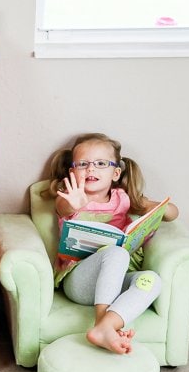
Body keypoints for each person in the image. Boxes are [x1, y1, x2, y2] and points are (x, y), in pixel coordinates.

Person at [43, 133, 179, 354]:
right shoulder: (69, 197)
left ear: (116, 173)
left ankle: (108, 325)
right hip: (79, 281)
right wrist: (74, 204)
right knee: (115, 253)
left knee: (151, 281)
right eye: (83, 164)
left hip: (116, 281)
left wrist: (156, 211)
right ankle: (101, 324)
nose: (91, 169)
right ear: (72, 172)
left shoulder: (123, 199)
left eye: (100, 164)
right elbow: (62, 207)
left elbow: (171, 213)